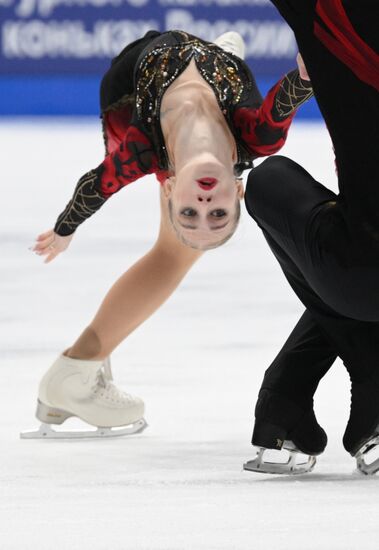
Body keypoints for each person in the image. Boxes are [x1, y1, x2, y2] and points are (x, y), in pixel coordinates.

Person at [24, 30, 313, 438]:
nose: (204, 203)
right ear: (238, 188)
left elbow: (96, 185)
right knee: (177, 251)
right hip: (218, 79)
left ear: (169, 187)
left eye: (191, 211)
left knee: (175, 251)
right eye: (217, 213)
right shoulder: (257, 137)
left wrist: (64, 228)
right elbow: (291, 94)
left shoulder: (141, 149)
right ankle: (78, 369)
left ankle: (76, 372)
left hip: (132, 87)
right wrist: (309, 74)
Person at [243, 0, 379, 475]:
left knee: (267, 182)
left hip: (362, 275)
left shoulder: (331, 12)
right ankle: (287, 399)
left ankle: (368, 383)